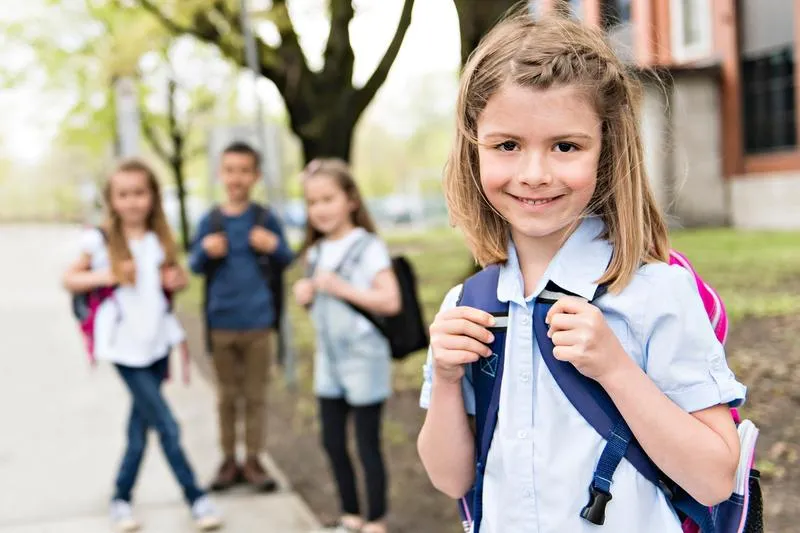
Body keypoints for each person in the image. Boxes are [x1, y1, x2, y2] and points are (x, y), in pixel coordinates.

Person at [416, 12, 747, 533]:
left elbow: (714, 480)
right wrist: (447, 379)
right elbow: (449, 478)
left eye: (565, 146)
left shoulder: (656, 291)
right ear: (472, 147)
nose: (534, 174)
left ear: (605, 150)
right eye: (507, 145)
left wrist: (616, 369)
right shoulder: (469, 304)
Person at [62, 159, 223, 532]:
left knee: (139, 429)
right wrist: (110, 274)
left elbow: (169, 283)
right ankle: (196, 497)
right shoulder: (100, 241)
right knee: (167, 425)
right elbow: (69, 278)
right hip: (124, 348)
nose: (132, 201)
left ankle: (120, 498)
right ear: (112, 200)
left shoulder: (159, 238)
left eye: (139, 193)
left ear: (152, 197)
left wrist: (176, 281)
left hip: (157, 343)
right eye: (123, 194)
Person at [293, 159, 401, 533]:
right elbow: (320, 308)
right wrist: (306, 296)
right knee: (332, 441)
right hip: (329, 359)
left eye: (328, 199)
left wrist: (341, 288)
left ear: (350, 200)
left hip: (364, 356)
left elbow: (390, 301)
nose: (320, 209)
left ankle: (376, 519)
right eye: (312, 202)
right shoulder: (315, 251)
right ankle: (350, 514)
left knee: (367, 443)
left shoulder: (367, 246)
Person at [189, 141, 293, 492]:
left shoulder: (265, 219)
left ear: (256, 176)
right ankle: (228, 460)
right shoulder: (210, 221)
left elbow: (287, 258)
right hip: (221, 323)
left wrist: (272, 246)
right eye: (230, 170)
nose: (236, 178)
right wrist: (205, 252)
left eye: (244, 171)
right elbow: (193, 265)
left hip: (258, 323)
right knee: (226, 396)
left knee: (256, 395)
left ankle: (253, 460)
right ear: (220, 174)